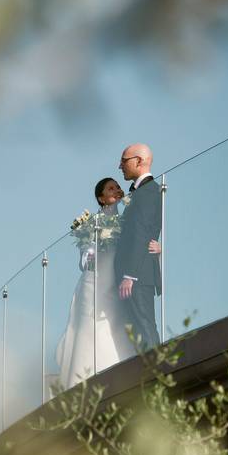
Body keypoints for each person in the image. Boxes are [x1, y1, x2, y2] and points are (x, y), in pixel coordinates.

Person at [55, 178, 160, 389]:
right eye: (110, 188)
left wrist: (157, 248)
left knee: (119, 323)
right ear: (101, 198)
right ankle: (85, 377)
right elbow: (84, 261)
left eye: (117, 187)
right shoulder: (91, 223)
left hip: (119, 281)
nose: (117, 190)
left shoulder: (128, 220)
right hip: (96, 282)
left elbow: (139, 241)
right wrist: (93, 247)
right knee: (92, 324)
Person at [115, 143, 162, 348]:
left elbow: (142, 232)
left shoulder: (149, 191)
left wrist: (130, 275)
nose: (120, 166)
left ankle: (157, 373)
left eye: (124, 161)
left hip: (138, 276)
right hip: (135, 274)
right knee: (136, 332)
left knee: (144, 327)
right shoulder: (140, 192)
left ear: (139, 161)